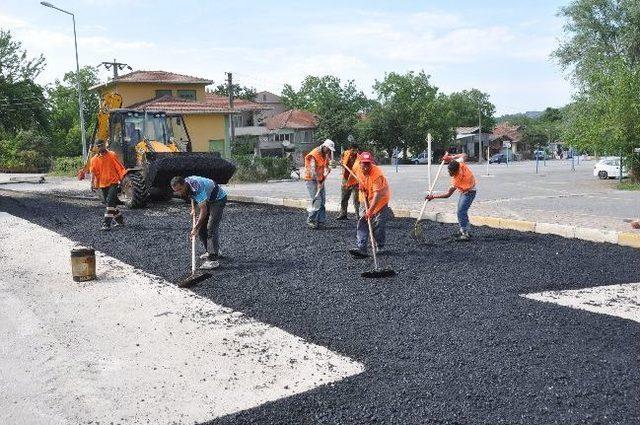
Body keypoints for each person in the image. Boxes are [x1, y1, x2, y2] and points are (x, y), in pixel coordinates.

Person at [170, 175, 227, 270]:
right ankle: (211, 251)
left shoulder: (197, 188)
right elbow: (192, 196)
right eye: (176, 191)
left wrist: (195, 228)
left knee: (211, 228)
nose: (178, 193)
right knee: (201, 229)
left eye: (179, 190)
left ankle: (213, 260)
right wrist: (193, 208)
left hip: (218, 199)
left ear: (184, 184)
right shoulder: (187, 184)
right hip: (206, 198)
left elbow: (203, 211)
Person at [349, 151, 392, 257]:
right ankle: (361, 248)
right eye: (364, 163)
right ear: (360, 163)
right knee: (363, 221)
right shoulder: (358, 167)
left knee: (378, 224)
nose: (366, 166)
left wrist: (370, 211)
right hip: (365, 197)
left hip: (380, 199)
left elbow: (377, 195)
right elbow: (354, 175)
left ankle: (380, 246)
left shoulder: (377, 174)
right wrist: (359, 185)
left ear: (371, 163)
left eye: (368, 163)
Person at [426, 152, 476, 240]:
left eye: (451, 172)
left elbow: (447, 195)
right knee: (461, 211)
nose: (449, 173)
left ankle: (465, 233)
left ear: (456, 171)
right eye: (449, 170)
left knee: (461, 212)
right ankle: (464, 229)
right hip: (464, 191)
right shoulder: (459, 163)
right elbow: (464, 155)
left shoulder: (457, 180)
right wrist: (450, 157)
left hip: (469, 192)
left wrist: (433, 197)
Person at [82, 139, 126, 231]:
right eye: (98, 146)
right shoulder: (94, 159)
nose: (100, 147)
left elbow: (119, 168)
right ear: (96, 147)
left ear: (105, 145)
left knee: (110, 202)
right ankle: (120, 221)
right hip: (103, 184)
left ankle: (106, 224)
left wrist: (122, 180)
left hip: (113, 182)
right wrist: (93, 184)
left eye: (101, 145)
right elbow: (94, 173)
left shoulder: (112, 155)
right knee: (110, 204)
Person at [304, 139, 335, 229]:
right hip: (311, 180)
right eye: (328, 149)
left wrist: (328, 167)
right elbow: (313, 171)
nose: (329, 151)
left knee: (323, 201)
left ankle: (321, 221)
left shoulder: (325, 153)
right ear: (324, 146)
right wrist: (318, 183)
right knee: (317, 201)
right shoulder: (314, 154)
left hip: (320, 179)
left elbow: (326, 163)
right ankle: (311, 220)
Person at [336, 142, 360, 220]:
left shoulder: (359, 157)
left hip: (355, 180)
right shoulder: (345, 153)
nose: (354, 152)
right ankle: (343, 214)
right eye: (353, 150)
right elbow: (341, 161)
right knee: (344, 197)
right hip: (345, 179)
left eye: (356, 150)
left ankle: (358, 216)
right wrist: (341, 163)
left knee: (356, 199)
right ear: (349, 149)